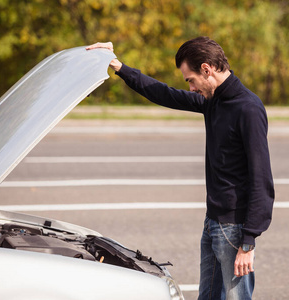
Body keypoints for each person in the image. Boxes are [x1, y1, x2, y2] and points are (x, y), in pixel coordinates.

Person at [86, 37, 275, 300]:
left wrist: (249, 240)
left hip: (235, 228)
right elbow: (164, 93)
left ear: (207, 69)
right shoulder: (213, 101)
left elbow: (261, 177)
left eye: (190, 79)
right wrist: (118, 66)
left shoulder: (248, 108)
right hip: (213, 222)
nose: (190, 86)